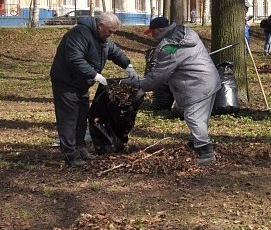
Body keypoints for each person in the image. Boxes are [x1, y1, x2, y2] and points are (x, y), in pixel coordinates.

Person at [123, 16, 221, 165]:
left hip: (197, 84)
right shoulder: (186, 33)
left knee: (193, 117)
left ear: (160, 30)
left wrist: (141, 86)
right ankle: (195, 143)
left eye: (153, 32)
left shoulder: (169, 46)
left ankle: (205, 152)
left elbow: (159, 75)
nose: (152, 35)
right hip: (210, 79)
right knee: (201, 117)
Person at [50, 12, 137, 167]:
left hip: (82, 83)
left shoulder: (102, 38)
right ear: (100, 25)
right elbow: (75, 59)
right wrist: (95, 75)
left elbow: (114, 52)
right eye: (109, 31)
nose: (111, 35)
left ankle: (80, 148)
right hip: (66, 81)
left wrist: (127, 66)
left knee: (82, 116)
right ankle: (70, 154)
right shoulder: (78, 34)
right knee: (69, 118)